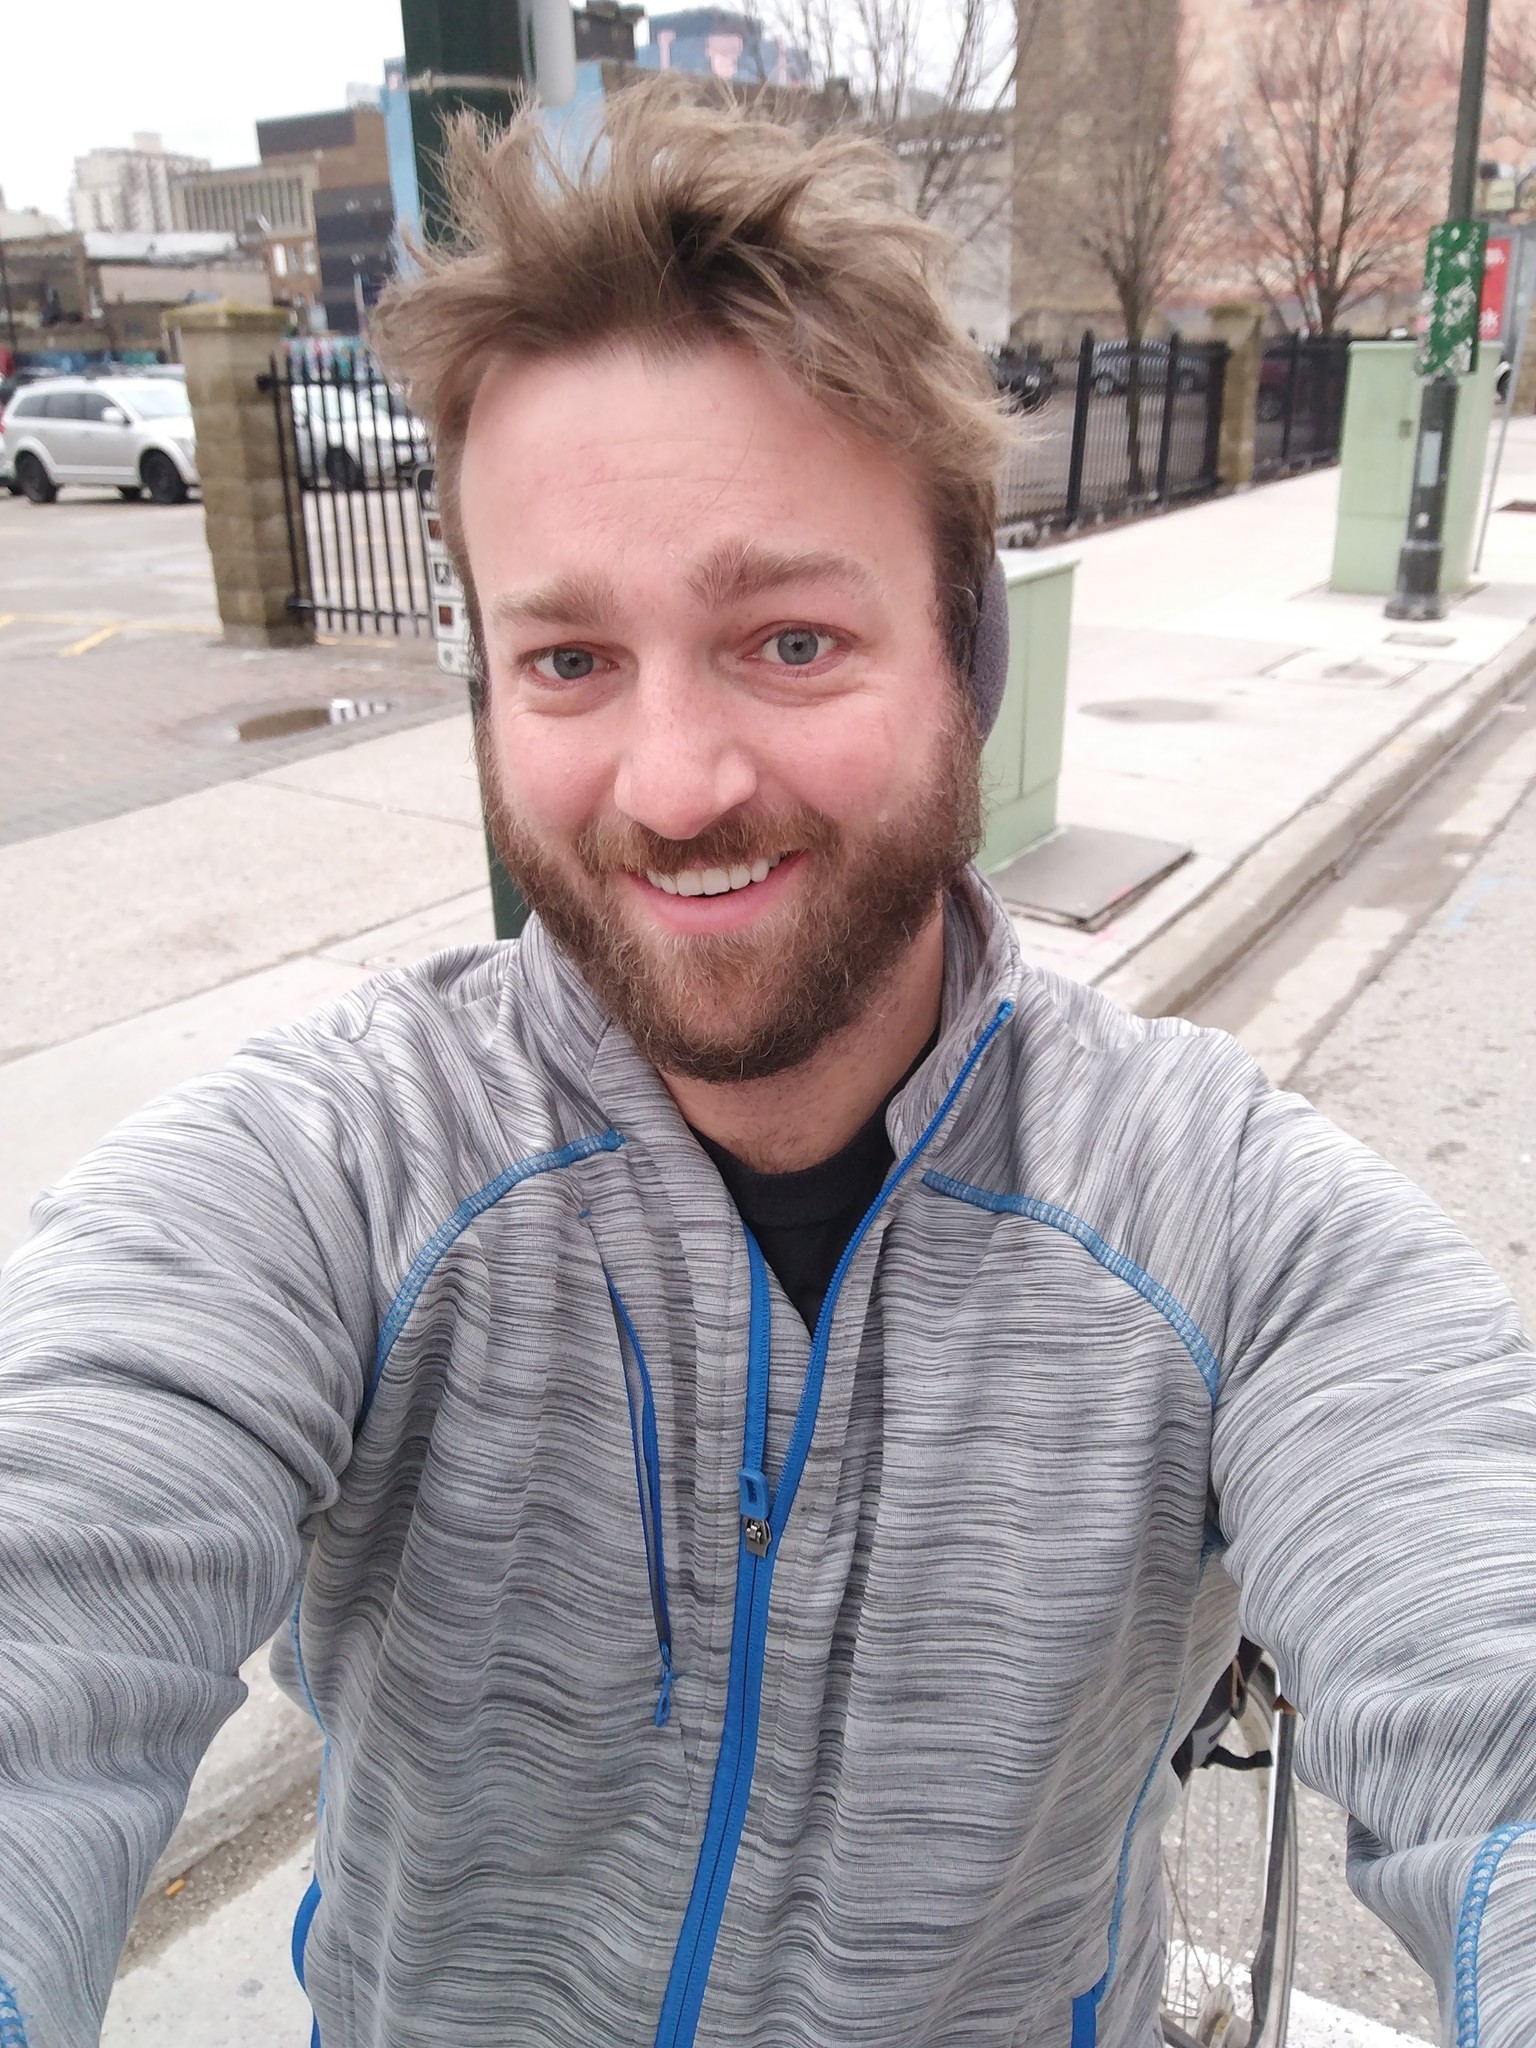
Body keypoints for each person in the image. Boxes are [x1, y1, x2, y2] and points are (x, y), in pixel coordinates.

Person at [2, 80, 1535, 2048]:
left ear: (966, 658)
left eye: (790, 641)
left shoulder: (1223, 1220)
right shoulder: (335, 1174)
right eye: (569, 661)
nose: (677, 783)